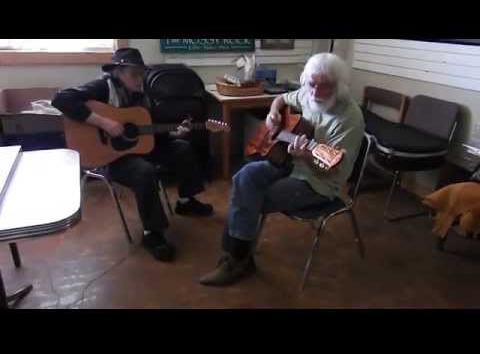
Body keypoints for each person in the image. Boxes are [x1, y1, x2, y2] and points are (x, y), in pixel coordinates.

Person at [199, 53, 365, 286]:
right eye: (311, 84)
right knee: (243, 177)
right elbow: (282, 99)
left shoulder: (350, 118)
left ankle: (236, 258)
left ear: (339, 86)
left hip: (318, 183)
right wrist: (273, 113)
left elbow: (332, 172)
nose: (315, 93)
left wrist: (307, 155)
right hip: (287, 161)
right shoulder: (308, 92)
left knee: (252, 196)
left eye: (325, 87)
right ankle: (236, 256)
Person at [52, 48, 213, 263]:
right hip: (109, 156)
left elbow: (150, 129)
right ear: (118, 72)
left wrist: (174, 131)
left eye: (141, 73)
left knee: (181, 148)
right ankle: (152, 234)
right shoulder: (102, 87)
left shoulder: (143, 96)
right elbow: (61, 99)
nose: (139, 79)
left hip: (137, 149)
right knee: (143, 171)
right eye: (134, 74)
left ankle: (185, 201)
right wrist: (105, 123)